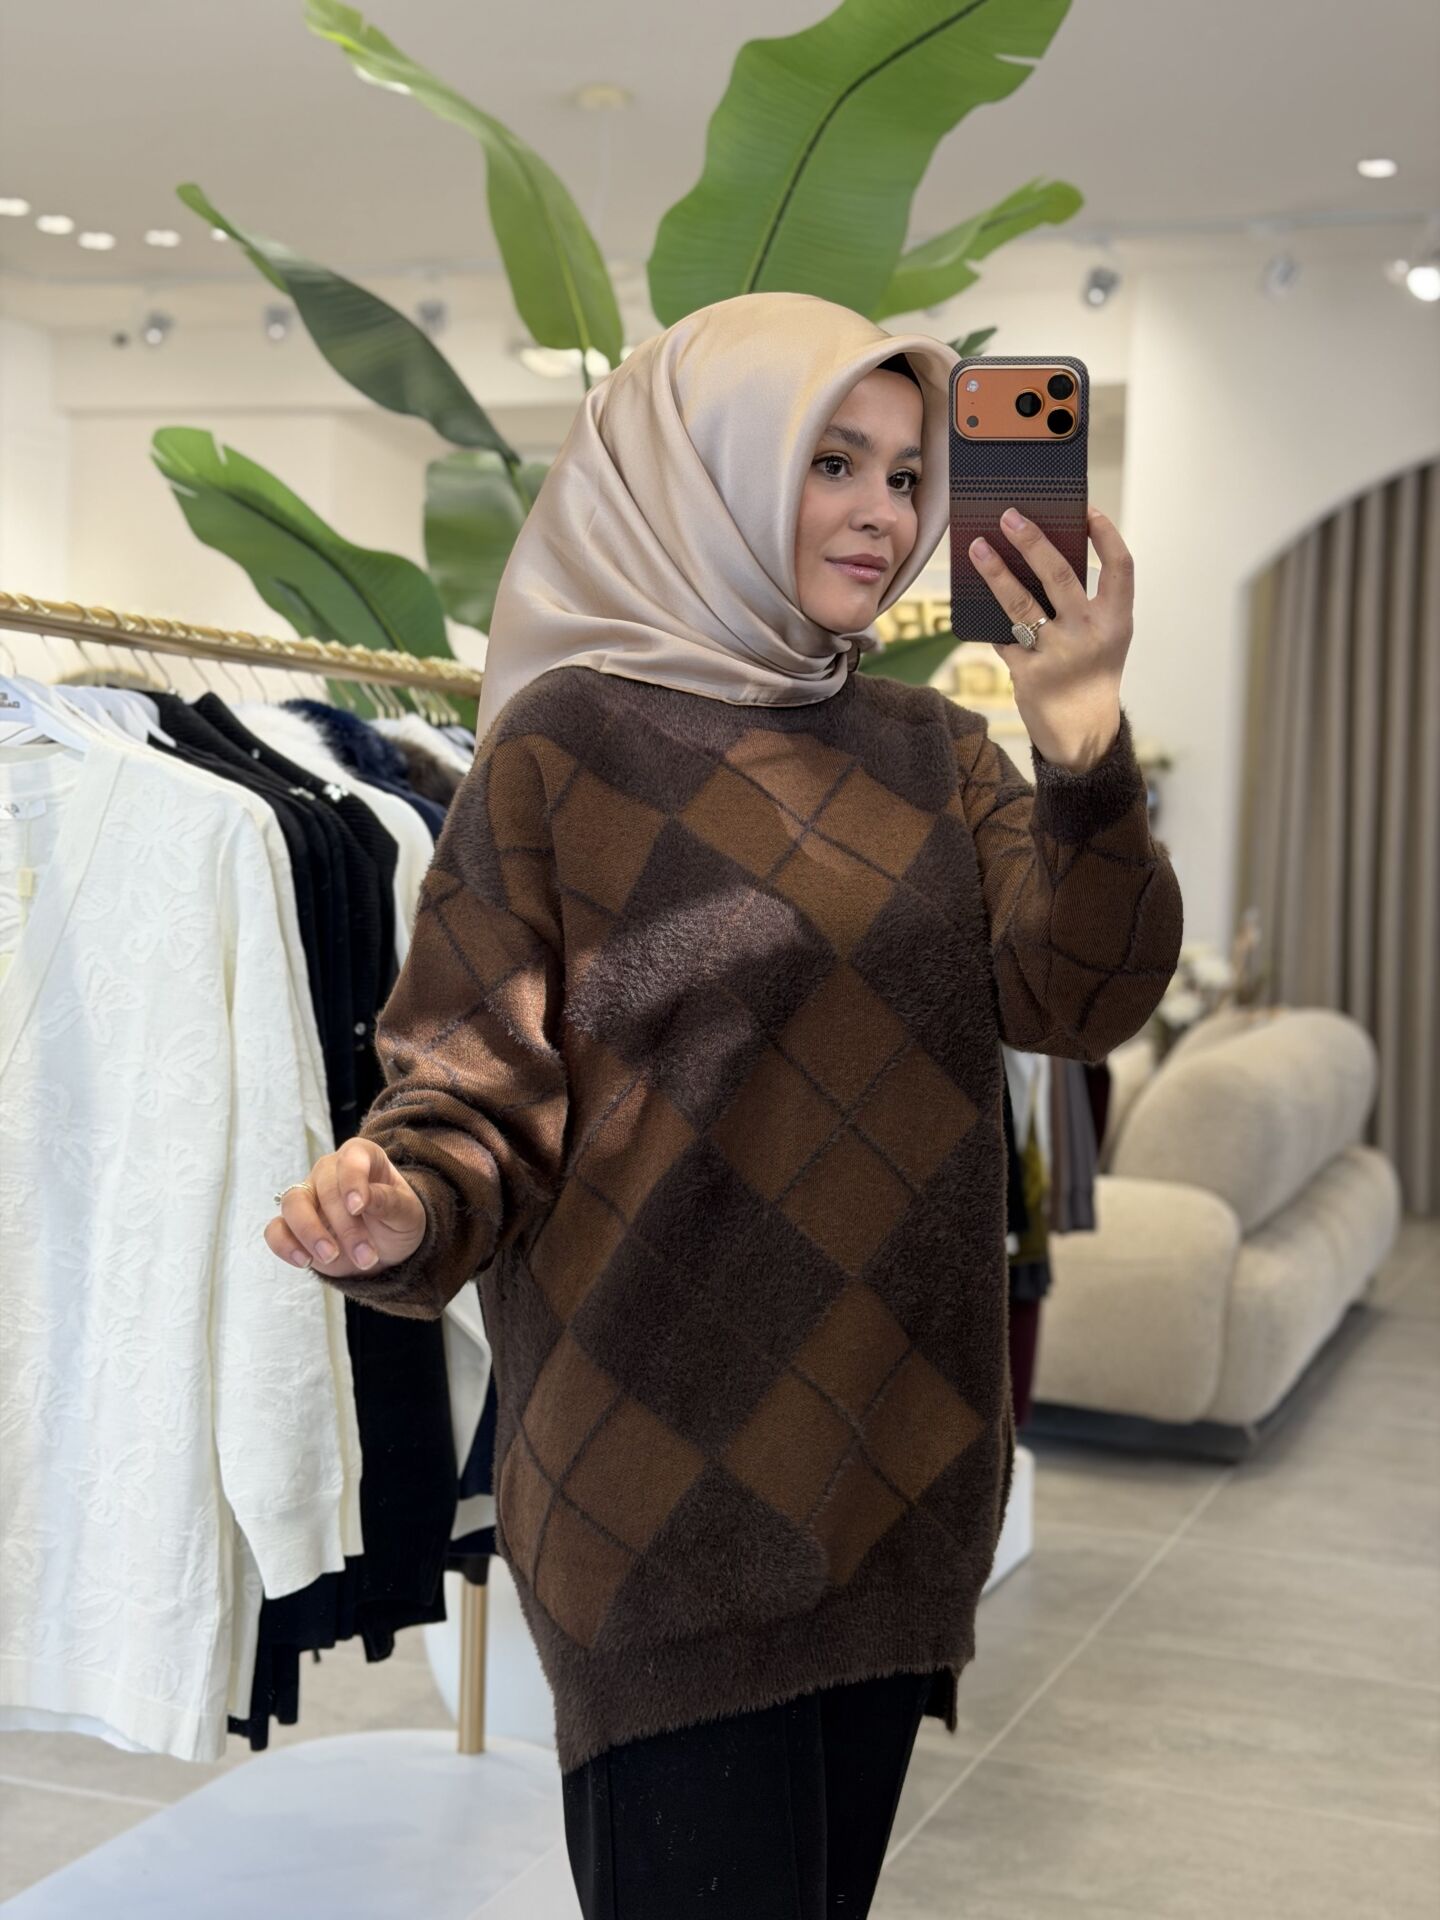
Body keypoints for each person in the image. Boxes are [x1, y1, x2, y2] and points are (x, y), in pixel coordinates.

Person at [264, 290, 1182, 1917]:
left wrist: (1083, 741)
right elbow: (473, 1088)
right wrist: (403, 1200)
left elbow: (1081, 999)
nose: (883, 512)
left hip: (895, 1480)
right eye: (835, 460)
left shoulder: (937, 754)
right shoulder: (564, 750)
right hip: (659, 1509)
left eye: (909, 475)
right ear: (715, 467)